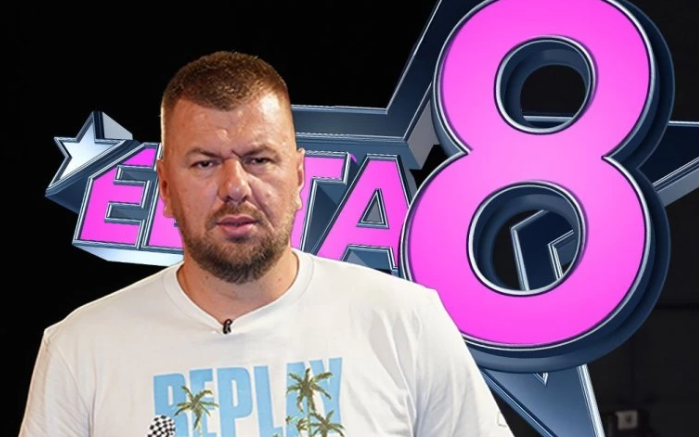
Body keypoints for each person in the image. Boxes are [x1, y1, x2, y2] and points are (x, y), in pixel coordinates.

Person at [19, 51, 513, 437]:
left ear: (298, 176)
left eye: (258, 159)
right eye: (205, 163)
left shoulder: (406, 322)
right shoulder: (81, 349)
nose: (235, 186)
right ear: (165, 187)